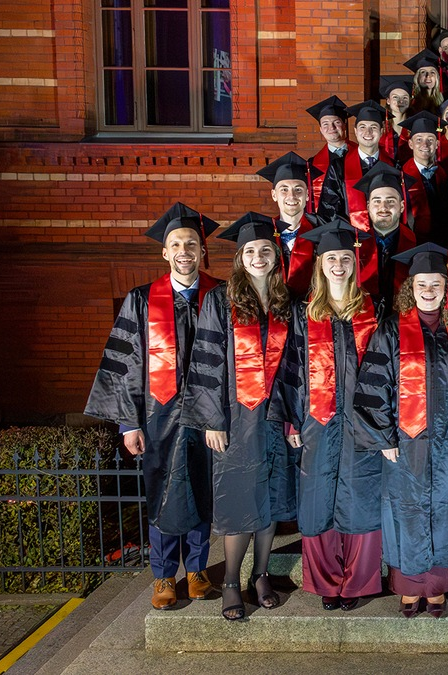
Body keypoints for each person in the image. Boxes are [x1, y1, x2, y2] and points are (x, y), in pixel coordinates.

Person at [85, 203, 220, 611]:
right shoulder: (141, 300)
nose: (184, 251)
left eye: (191, 244)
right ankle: (163, 576)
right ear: (164, 252)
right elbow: (125, 364)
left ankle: (196, 570)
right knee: (163, 491)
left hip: (209, 415)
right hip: (158, 415)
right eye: (176, 245)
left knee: (202, 489)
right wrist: (128, 424)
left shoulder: (221, 295)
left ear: (202, 251)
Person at [182, 213, 295, 621]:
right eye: (250, 251)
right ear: (240, 257)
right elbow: (206, 360)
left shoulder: (287, 303)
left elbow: (296, 366)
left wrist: (294, 417)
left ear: (276, 256)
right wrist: (212, 419)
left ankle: (260, 576)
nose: (258, 256)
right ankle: (231, 581)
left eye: (265, 250)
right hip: (234, 416)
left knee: (269, 498)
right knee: (238, 499)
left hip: (275, 416)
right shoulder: (220, 300)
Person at [271, 219, 383, 612]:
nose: (338, 265)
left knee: (360, 494)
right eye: (331, 258)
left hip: (363, 422)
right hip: (316, 420)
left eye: (345, 258)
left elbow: (388, 371)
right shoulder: (304, 314)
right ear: (320, 263)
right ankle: (326, 582)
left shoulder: (373, 309)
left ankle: (357, 582)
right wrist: (290, 419)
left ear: (355, 263)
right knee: (318, 497)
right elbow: (290, 368)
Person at [352, 243, 448, 619]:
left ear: (447, 289)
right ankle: (407, 586)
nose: (429, 291)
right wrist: (382, 435)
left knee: (445, 507)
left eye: (436, 284)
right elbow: (374, 384)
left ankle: (437, 587)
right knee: (406, 510)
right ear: (410, 288)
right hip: (405, 440)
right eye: (422, 284)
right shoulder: (391, 330)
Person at [353, 163, 417, 304]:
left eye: (390, 201)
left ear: (402, 206)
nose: (383, 207)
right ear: (368, 206)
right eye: (377, 201)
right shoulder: (353, 248)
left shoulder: (418, 247)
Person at [257, 152, 317, 297]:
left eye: (298, 189)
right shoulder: (262, 234)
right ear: (274, 195)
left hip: (312, 306)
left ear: (307, 195)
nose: (291, 196)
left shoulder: (320, 233)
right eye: (284, 189)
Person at [398, 111, 448, 245]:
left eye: (430, 140)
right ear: (410, 144)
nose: (425, 144)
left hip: (443, 242)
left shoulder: (445, 175)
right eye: (419, 140)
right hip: (413, 243)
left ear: (437, 144)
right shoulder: (400, 178)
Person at [304, 95, 354, 225]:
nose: (331, 128)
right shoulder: (312, 164)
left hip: (359, 223)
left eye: (336, 122)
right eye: (325, 124)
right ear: (321, 130)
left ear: (344, 125)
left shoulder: (362, 156)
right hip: (327, 225)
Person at [379, 76, 414, 166]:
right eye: (395, 97)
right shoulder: (380, 127)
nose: (400, 101)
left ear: (410, 101)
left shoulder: (415, 127)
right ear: (388, 101)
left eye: (405, 98)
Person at [406, 49, 445, 114]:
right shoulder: (410, 103)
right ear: (417, 78)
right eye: (423, 72)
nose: (428, 76)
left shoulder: (445, 103)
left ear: (437, 78)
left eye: (432, 72)